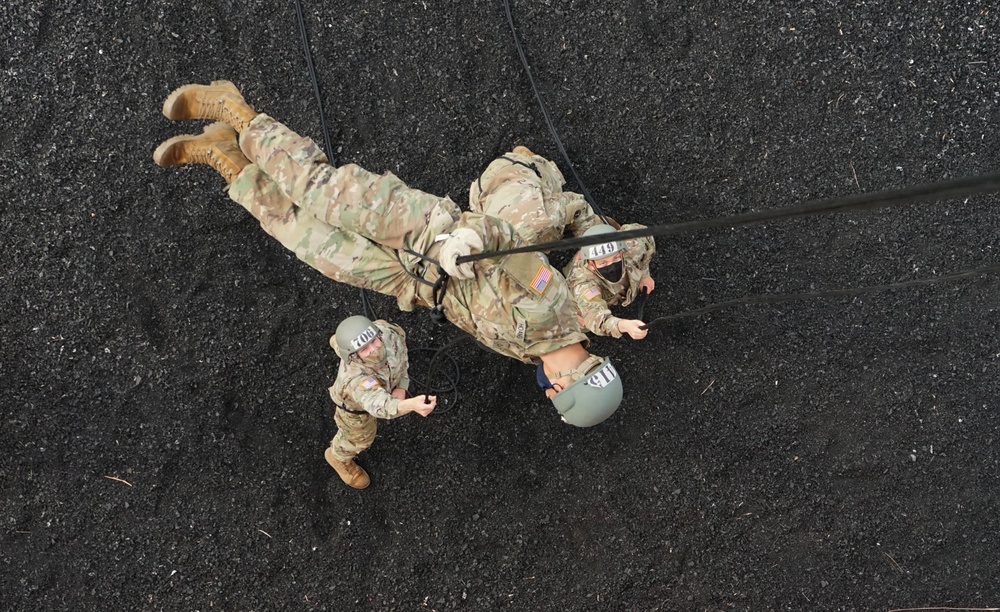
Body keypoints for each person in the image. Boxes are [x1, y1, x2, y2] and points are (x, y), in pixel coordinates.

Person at [152, 80, 622, 427]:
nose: (550, 391)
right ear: (569, 384)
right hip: (427, 234)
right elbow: (509, 241)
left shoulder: (535, 351)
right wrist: (468, 240)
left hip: (412, 283)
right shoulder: (553, 307)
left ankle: (225, 158)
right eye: (557, 394)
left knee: (305, 238)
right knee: (318, 189)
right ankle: (236, 113)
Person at [325, 315, 436, 489]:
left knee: (351, 340)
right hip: (355, 408)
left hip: (383, 379)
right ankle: (337, 456)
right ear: (353, 356)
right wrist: (411, 405)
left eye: (373, 341)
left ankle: (338, 342)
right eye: (364, 349)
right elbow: (381, 406)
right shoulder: (355, 379)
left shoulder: (386, 332)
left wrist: (402, 385)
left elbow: (401, 349)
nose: (374, 349)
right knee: (360, 438)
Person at [563, 224, 656, 340]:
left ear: (622, 252)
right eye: (603, 263)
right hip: (577, 299)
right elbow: (596, 318)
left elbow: (646, 238)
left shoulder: (632, 243)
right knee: (582, 322)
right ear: (591, 264)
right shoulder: (583, 282)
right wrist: (624, 325)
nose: (611, 266)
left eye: (616, 258)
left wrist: (645, 274)